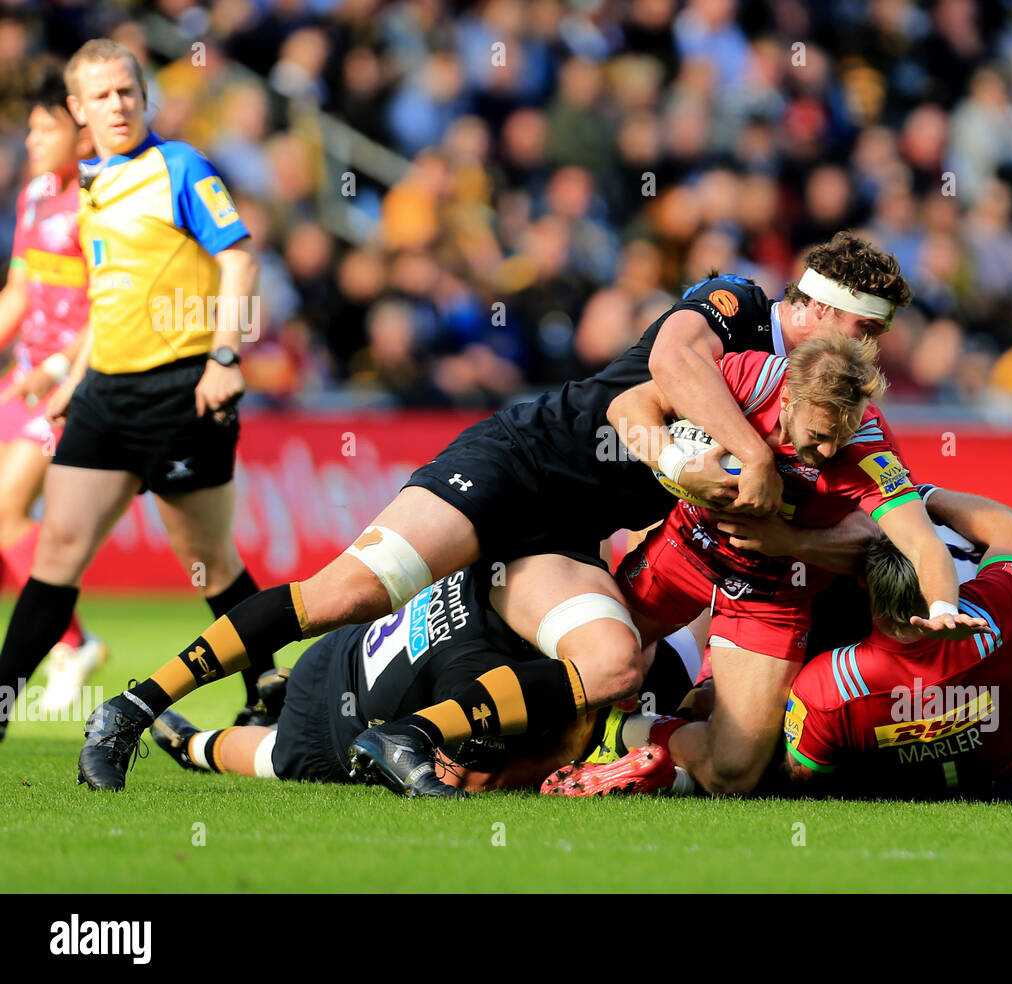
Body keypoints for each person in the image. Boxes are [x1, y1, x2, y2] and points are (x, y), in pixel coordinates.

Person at [82, 233, 925, 793]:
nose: (865, 350)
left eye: (875, 337)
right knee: (347, 594)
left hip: (569, 537)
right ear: (812, 305)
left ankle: (409, 737)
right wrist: (750, 459)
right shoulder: (738, 303)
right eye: (859, 328)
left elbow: (869, 501)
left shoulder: (823, 402)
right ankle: (133, 707)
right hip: (520, 465)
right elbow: (670, 360)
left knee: (609, 670)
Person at [547, 335, 983, 796]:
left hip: (772, 592)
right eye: (818, 436)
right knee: (588, 664)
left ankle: (626, 734)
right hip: (686, 548)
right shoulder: (748, 379)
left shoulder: (871, 449)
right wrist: (676, 464)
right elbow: (627, 407)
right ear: (789, 399)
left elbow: (920, 542)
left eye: (842, 435)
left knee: (733, 774)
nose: (831, 451)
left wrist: (940, 607)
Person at [548, 488, 1012, 801]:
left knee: (745, 714)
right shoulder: (1010, 620)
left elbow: (794, 771)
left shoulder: (837, 679)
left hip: (868, 684)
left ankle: (637, 729)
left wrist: (912, 495)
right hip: (994, 733)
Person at [0, 39, 264, 744]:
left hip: (182, 392)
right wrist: (70, 377)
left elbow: (238, 258)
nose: (117, 105)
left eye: (127, 91)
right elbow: (109, 303)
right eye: (101, 96)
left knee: (207, 561)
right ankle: (0, 704)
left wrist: (225, 357)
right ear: (79, 110)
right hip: (104, 398)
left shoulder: (179, 166)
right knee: (56, 549)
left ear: (142, 97)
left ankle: (268, 686)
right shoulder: (91, 184)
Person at [149, 563, 698, 795]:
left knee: (652, 664)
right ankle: (193, 744)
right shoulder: (482, 678)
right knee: (274, 757)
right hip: (334, 719)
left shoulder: (512, 569)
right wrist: (568, 758)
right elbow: (469, 781)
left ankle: (277, 685)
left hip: (357, 644)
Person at [0, 67, 103, 715]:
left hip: (68, 384)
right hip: (23, 375)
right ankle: (73, 640)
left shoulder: (98, 201)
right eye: (31, 127)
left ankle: (71, 641)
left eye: (46, 128)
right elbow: (18, 291)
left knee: (6, 510)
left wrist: (62, 364)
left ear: (80, 135)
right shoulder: (34, 194)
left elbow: (107, 305)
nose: (32, 139)